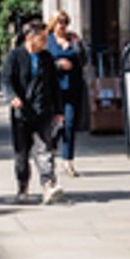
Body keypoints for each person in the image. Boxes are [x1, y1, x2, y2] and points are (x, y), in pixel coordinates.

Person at [2, 21, 65, 204]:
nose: (46, 41)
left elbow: (54, 85)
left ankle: (48, 186)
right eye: (43, 38)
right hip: (22, 113)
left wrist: (58, 110)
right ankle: (23, 188)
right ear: (30, 37)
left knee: (45, 149)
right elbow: (6, 80)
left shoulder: (46, 57)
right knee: (21, 153)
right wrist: (11, 97)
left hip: (43, 110)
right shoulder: (14, 56)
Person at [47, 12, 89, 176]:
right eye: (59, 22)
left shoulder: (73, 39)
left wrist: (76, 48)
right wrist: (58, 65)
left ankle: (68, 161)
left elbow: (83, 60)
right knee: (56, 126)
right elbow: (43, 62)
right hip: (54, 90)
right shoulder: (48, 40)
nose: (62, 25)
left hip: (72, 88)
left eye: (65, 22)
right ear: (53, 23)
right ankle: (49, 155)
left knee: (70, 125)